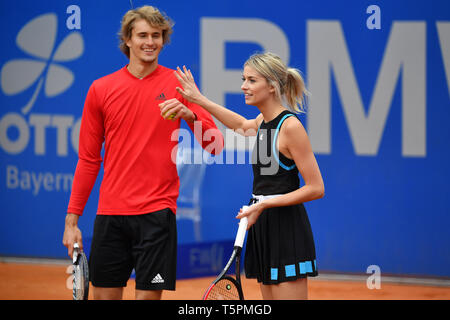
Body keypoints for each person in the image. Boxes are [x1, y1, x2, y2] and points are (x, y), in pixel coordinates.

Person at [62, 6, 223, 300]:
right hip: (111, 214)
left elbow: (215, 146)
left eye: (157, 35)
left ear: (164, 40)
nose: (150, 42)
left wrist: (190, 114)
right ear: (128, 40)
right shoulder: (101, 89)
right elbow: (88, 159)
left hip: (157, 215)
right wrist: (72, 222)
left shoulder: (179, 85)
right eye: (143, 35)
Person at [168, 53, 324, 300]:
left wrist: (264, 203)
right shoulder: (263, 121)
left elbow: (316, 188)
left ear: (272, 86)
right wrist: (198, 100)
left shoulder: (290, 127)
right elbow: (240, 125)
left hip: (286, 228)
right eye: (244, 79)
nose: (243, 86)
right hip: (263, 225)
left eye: (252, 80)